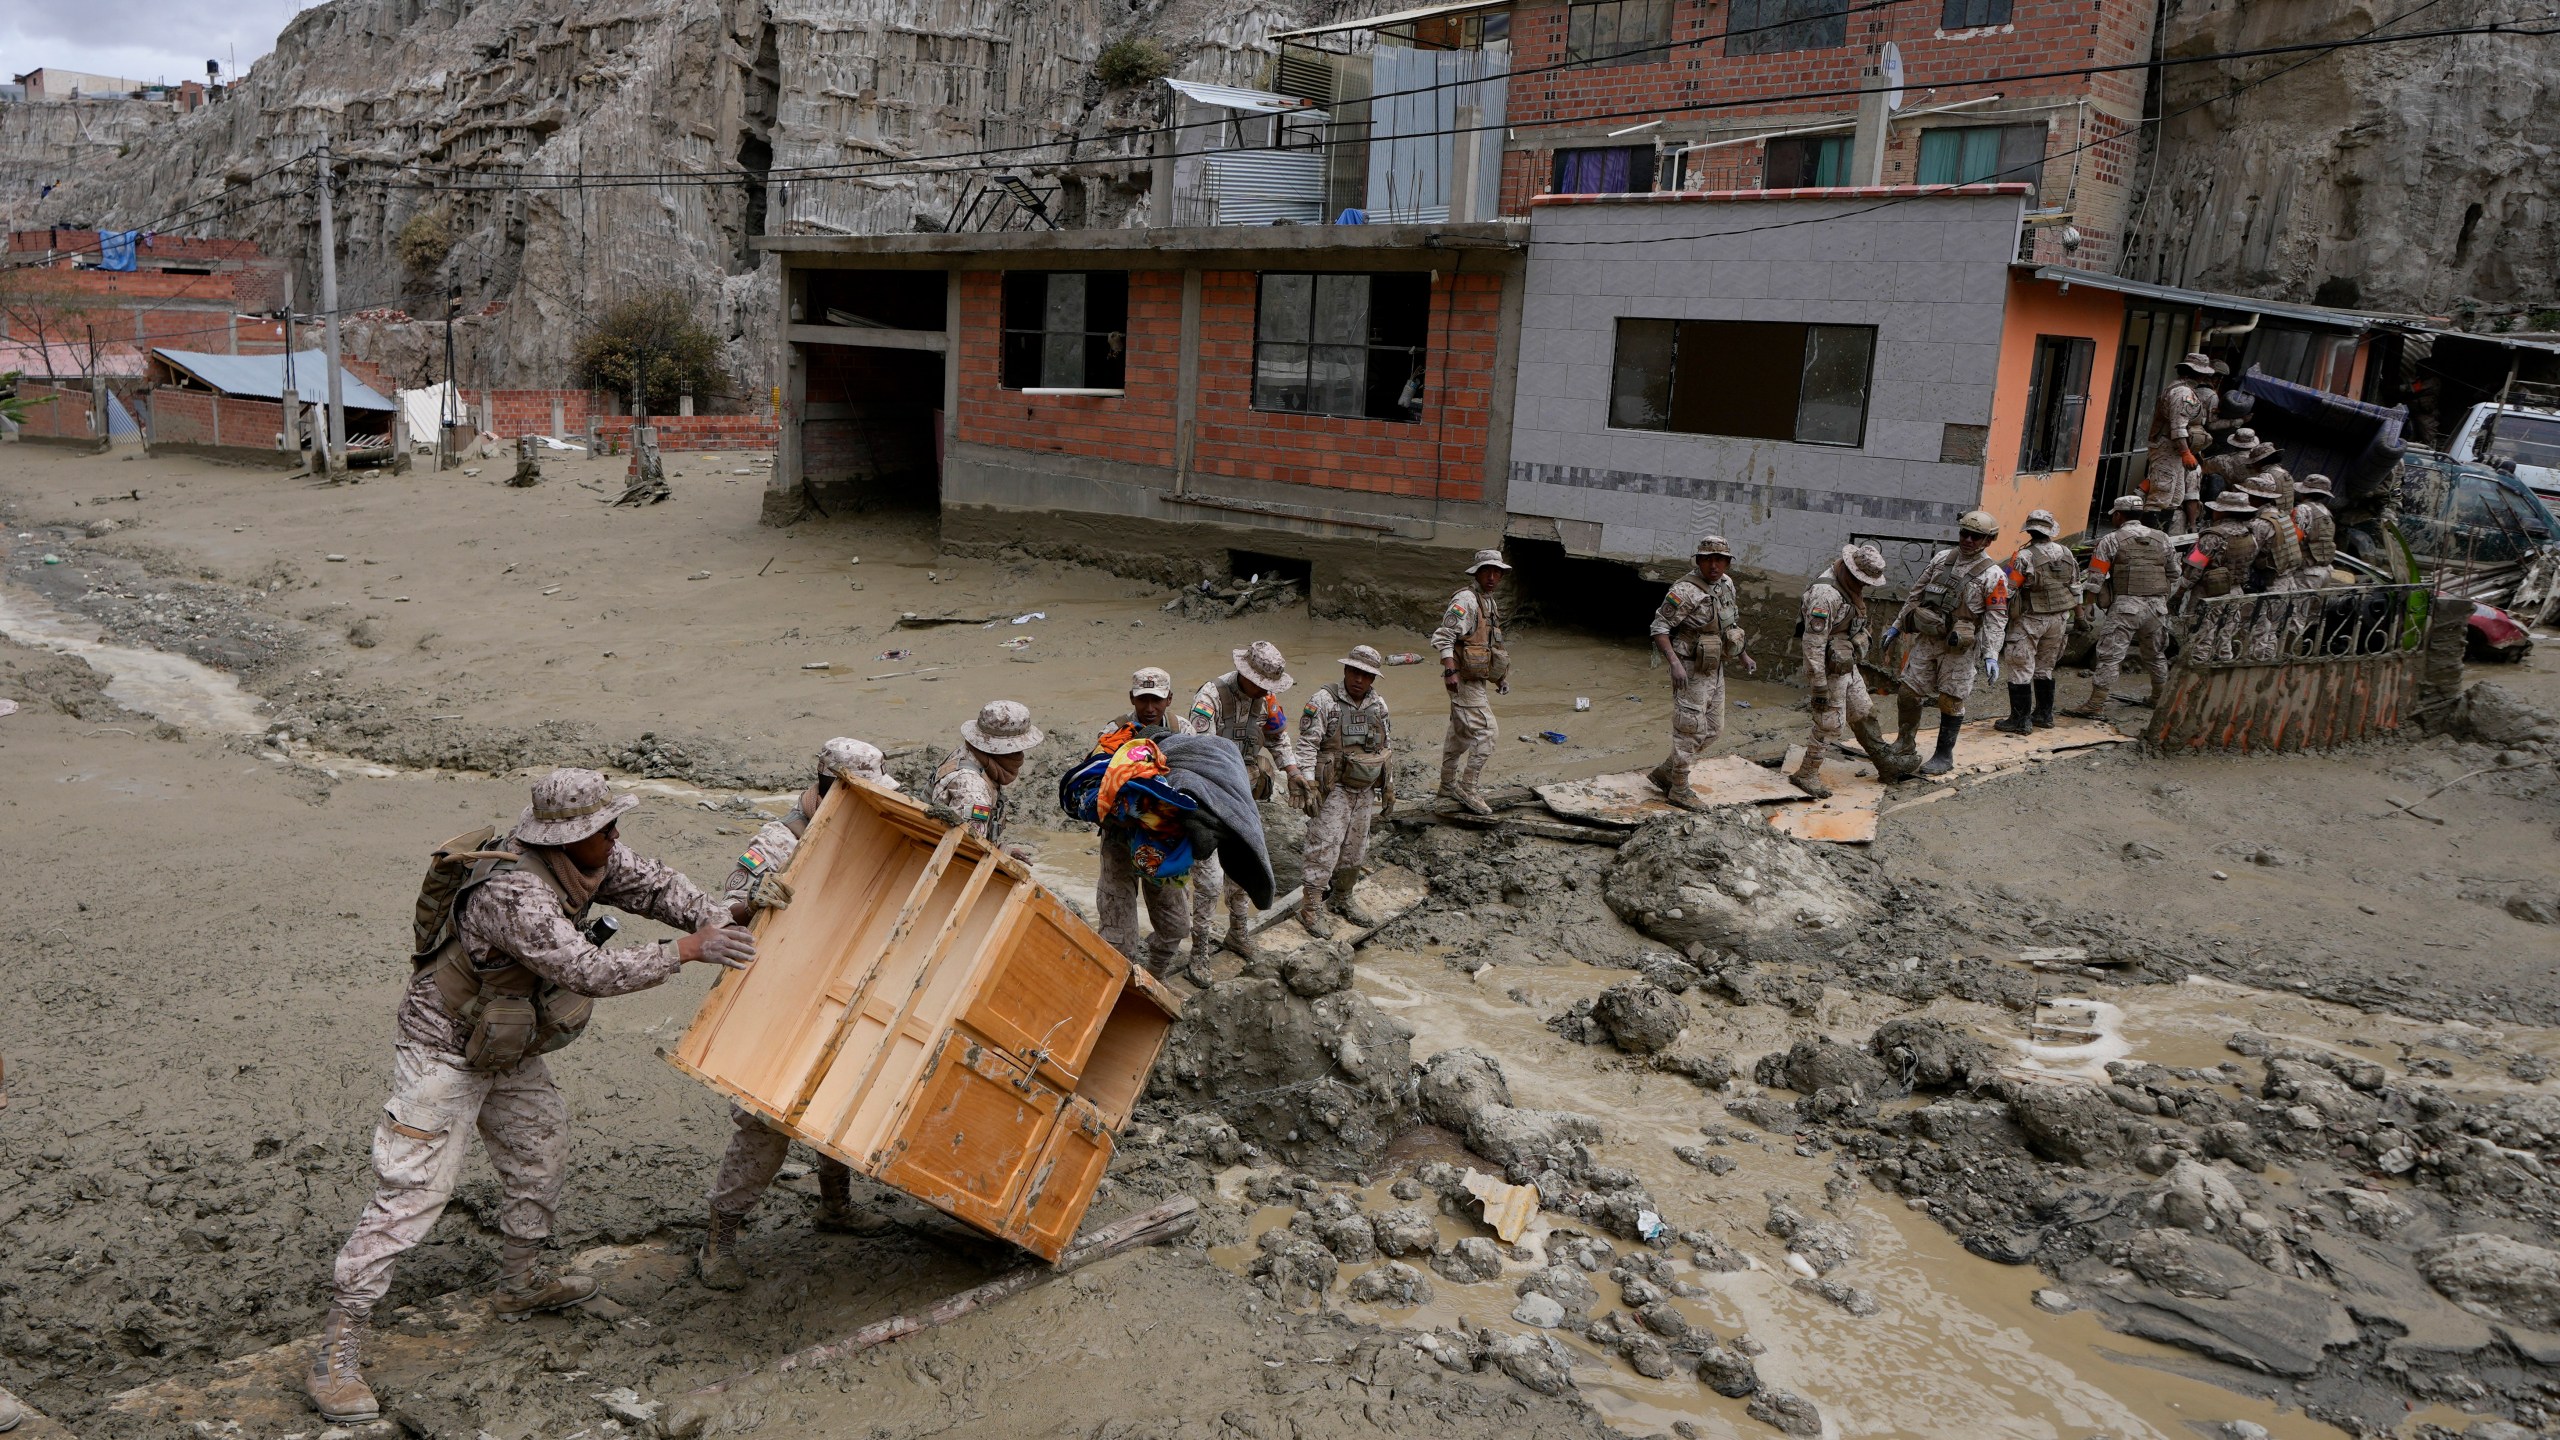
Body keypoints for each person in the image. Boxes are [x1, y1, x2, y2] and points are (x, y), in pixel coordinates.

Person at [308, 770, 756, 1424]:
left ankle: (521, 1281)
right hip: (442, 1049)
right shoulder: (511, 893)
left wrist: (719, 916)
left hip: (506, 1039)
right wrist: (690, 949)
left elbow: (659, 886)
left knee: (539, 1147)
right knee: (413, 1192)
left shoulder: (592, 857)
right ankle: (337, 1345)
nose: (616, 838)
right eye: (604, 830)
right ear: (566, 838)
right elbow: (589, 971)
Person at [696, 739, 897, 1291]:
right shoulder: (779, 839)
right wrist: (756, 897)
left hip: (834, 983)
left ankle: (836, 1207)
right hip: (772, 994)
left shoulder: (858, 824)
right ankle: (720, 1237)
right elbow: (721, 907)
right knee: (764, 1122)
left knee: (835, 1100)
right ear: (830, 787)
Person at [1183, 642, 1302, 961]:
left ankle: (1237, 933)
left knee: (1243, 870)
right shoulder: (1210, 698)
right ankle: (1200, 950)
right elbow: (1200, 756)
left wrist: (1292, 770)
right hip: (1208, 799)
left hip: (1242, 798)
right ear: (1244, 673)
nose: (1265, 691)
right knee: (1208, 881)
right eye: (1261, 684)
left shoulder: (1267, 699)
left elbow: (1278, 737)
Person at [1884, 510, 2010, 776]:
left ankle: (1944, 755)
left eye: (1976, 537)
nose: (1968, 540)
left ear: (1988, 540)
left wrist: (1991, 654)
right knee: (1908, 692)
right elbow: (1916, 595)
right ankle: (1904, 742)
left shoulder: (1994, 575)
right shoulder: (1942, 559)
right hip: (1928, 638)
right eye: (1964, 533)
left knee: (1950, 699)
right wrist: (1897, 626)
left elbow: (1996, 618)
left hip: (1959, 648)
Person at [1791, 543, 1913, 799]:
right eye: (1861, 580)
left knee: (1863, 710)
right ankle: (1807, 773)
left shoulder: (1848, 588)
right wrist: (1819, 686)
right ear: (1848, 569)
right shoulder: (1825, 595)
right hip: (1827, 666)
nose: (1863, 586)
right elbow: (1812, 644)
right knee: (1829, 723)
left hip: (1845, 661)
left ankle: (1885, 763)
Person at [1093, 668, 1191, 976]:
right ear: (1132, 698)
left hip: (1163, 841)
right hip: (1121, 838)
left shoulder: (1183, 730)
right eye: (1143, 699)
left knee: (1175, 923)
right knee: (1117, 930)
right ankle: (1117, 987)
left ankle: (1156, 975)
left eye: (1157, 700)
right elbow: (1095, 779)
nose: (1149, 708)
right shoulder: (1115, 730)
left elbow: (1199, 777)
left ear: (1169, 699)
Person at [1646, 535, 1755, 809]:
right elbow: (1659, 628)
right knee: (1690, 729)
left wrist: (1742, 654)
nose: (1714, 566)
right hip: (1690, 667)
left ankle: (1667, 772)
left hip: (1714, 665)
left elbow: (1730, 622)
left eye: (1720, 560)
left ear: (1728, 563)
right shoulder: (1685, 590)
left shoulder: (1726, 584)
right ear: (1699, 561)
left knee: (1714, 730)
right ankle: (1679, 788)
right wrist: (1674, 663)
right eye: (1708, 559)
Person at [1295, 645, 1395, 938]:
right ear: (1345, 670)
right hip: (1333, 786)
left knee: (1356, 846)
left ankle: (1342, 898)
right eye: (1355, 672)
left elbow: (1387, 747)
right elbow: (1307, 744)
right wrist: (1307, 784)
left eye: (1366, 675)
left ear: (1373, 678)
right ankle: (1311, 907)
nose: (1359, 680)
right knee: (1324, 845)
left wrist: (1389, 787)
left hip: (1364, 787)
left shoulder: (1379, 705)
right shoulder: (1324, 701)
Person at [2067, 494, 2179, 715]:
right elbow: (2174, 573)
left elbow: (2096, 578)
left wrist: (2088, 606)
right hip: (2157, 608)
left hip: (2126, 607)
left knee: (2110, 655)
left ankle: (2095, 704)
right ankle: (2159, 697)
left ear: (2118, 515)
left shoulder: (2110, 540)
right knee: (2155, 654)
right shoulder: (2163, 538)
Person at [1431, 549, 1512, 816]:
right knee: (1487, 732)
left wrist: (1499, 677)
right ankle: (1467, 787)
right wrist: (1450, 671)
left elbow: (1489, 644)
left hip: (1474, 679)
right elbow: (1443, 637)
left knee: (1461, 733)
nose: (1491, 576)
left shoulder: (1488, 602)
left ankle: (1447, 784)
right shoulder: (1465, 600)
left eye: (1496, 572)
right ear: (1476, 573)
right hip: (1462, 679)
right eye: (1486, 571)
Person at [1994, 510, 2076, 733]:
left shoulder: (2024, 557)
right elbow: (2075, 585)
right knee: (2045, 667)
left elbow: (2009, 590)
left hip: (2031, 618)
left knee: (2020, 665)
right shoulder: (2067, 553)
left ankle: (2020, 721)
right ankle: (2043, 715)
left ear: (2029, 530)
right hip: (2059, 617)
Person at [931, 700, 1044, 853]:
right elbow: (967, 849)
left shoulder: (966, 754)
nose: (1020, 756)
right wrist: (1000, 854)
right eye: (1017, 750)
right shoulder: (973, 792)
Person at [2177, 491, 2261, 663]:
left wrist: (2179, 593)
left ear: (2223, 512)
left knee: (2200, 639)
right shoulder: (2250, 535)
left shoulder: (2212, 537)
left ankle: (2195, 679)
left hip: (2209, 594)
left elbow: (2194, 569)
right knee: (2225, 639)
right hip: (2236, 591)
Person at [2143, 352, 2217, 531]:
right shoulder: (2183, 392)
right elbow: (2178, 426)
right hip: (2168, 448)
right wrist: (2186, 452)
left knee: (2175, 497)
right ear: (2200, 374)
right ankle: (2147, 540)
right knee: (2161, 495)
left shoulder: (2182, 389)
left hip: (2172, 450)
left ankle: (2159, 539)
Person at [2242, 474, 2308, 661]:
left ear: (2255, 498)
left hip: (2270, 583)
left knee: (2259, 631)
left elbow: (2248, 556)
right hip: (2286, 581)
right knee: (2271, 629)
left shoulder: (2261, 523)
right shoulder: (2283, 517)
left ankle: (2257, 669)